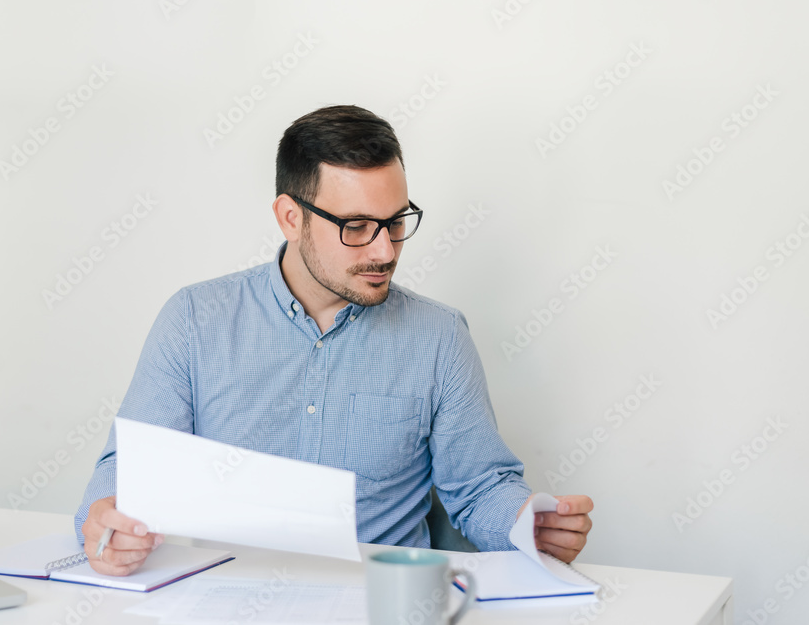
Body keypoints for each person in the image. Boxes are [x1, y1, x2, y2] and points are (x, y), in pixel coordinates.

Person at [74, 105, 593, 576]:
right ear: (290, 217)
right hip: (224, 599)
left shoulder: (439, 338)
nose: (385, 250)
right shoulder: (194, 320)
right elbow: (130, 469)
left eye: (395, 222)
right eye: (358, 226)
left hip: (380, 604)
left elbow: (480, 488)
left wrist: (526, 522)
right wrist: (105, 517)